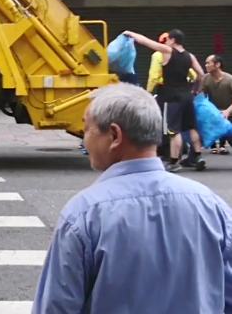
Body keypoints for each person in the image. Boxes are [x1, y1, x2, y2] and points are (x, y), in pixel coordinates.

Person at [31, 83, 232, 314]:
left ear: (115, 135)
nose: (84, 141)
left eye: (87, 130)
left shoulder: (84, 214)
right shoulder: (210, 205)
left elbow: (57, 307)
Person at [124, 29, 206, 172]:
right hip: (187, 95)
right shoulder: (189, 56)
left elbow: (146, 42)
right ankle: (198, 156)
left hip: (171, 96)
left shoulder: (167, 51)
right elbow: (201, 74)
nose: (166, 42)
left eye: (167, 39)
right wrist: (195, 89)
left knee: (173, 130)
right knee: (191, 127)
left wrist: (131, 34)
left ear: (173, 40)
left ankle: (174, 162)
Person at [203, 54, 232, 154]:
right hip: (213, 113)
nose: (206, 65)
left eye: (208, 63)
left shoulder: (229, 79)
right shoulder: (206, 78)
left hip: (229, 111)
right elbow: (201, 96)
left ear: (217, 64)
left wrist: (227, 111)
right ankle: (213, 144)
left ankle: (223, 145)